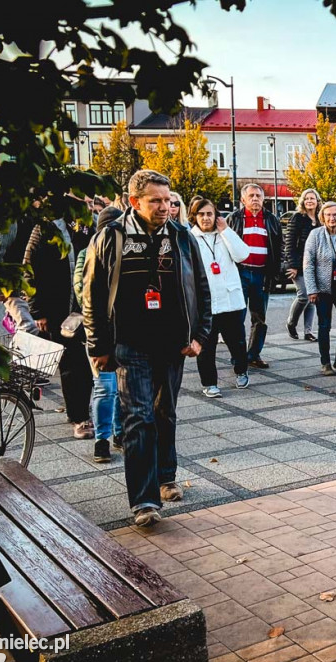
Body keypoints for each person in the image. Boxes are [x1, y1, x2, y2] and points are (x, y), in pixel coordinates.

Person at [82, 169, 212, 527]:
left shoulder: (183, 237)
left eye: (168, 200)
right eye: (155, 200)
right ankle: (144, 501)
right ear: (134, 201)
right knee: (138, 418)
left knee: (164, 411)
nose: (164, 207)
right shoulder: (112, 237)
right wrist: (98, 344)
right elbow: (91, 294)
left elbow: (201, 288)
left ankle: (166, 475)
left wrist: (200, 335)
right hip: (129, 343)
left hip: (173, 343)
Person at [23, 212, 94, 439]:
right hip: (58, 309)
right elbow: (28, 269)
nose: (86, 204)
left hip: (88, 307)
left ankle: (83, 409)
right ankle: (79, 417)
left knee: (89, 363)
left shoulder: (91, 225)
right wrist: (37, 311)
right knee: (73, 364)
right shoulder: (47, 227)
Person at [73, 206, 123, 463]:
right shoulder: (86, 254)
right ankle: (101, 440)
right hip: (98, 333)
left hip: (125, 333)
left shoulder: (128, 251)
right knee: (105, 388)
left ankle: (119, 432)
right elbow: (83, 294)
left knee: (122, 389)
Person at [189, 196, 252, 396]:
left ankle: (241, 370)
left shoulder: (225, 234)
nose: (206, 218)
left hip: (230, 300)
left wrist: (225, 230)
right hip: (205, 303)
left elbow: (242, 254)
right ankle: (209, 383)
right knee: (206, 347)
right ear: (195, 216)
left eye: (210, 214)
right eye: (201, 214)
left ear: (216, 216)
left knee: (237, 342)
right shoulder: (190, 239)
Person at [227, 183, 282, 369]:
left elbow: (278, 247)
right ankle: (238, 355)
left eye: (258, 196)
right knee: (237, 317)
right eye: (251, 196)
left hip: (262, 274)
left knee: (259, 318)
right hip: (239, 272)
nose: (255, 199)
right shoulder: (234, 219)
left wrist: (276, 272)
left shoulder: (271, 219)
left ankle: (254, 354)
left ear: (263, 198)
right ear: (243, 199)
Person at [304, 201, 336, 376]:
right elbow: (308, 264)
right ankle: (325, 362)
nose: (332, 218)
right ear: (322, 217)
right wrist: (311, 289)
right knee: (324, 326)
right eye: (328, 215)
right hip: (322, 289)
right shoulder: (315, 235)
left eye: (335, 215)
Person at [284, 188, 321, 342]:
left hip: (316, 265)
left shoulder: (320, 219)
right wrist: (292, 265)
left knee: (313, 297)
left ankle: (308, 331)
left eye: (312, 198)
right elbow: (290, 242)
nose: (309, 201)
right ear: (303, 202)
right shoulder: (297, 218)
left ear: (317, 201)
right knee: (304, 295)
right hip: (299, 265)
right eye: (307, 199)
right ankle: (291, 323)